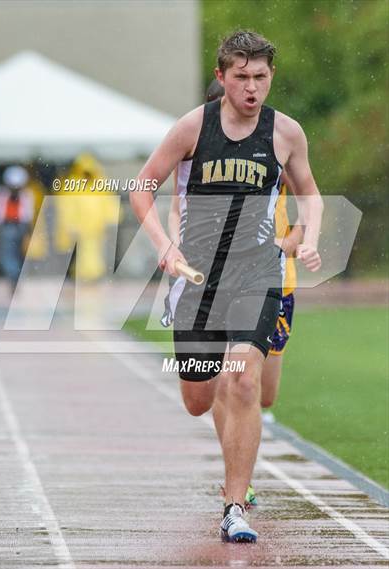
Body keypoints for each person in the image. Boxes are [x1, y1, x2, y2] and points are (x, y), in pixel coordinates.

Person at [130, 30, 323, 543]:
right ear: (222, 77)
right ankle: (226, 422)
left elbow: (310, 196)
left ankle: (235, 504)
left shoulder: (286, 133)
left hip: (259, 273)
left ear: (270, 76)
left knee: (246, 382)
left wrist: (307, 238)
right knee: (198, 398)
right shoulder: (194, 128)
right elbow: (143, 188)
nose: (251, 88)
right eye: (241, 77)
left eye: (260, 77)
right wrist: (164, 245)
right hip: (199, 279)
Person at [161, 80, 304, 510]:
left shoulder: (273, 145)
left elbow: (308, 201)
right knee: (230, 378)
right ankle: (236, 488)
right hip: (207, 279)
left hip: (272, 276)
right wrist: (174, 249)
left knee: (261, 394)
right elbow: (174, 206)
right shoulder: (195, 152)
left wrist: (295, 238)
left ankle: (238, 472)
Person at [0, 166, 34, 292]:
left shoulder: (25, 194)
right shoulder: (2, 193)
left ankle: (15, 276)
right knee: (9, 254)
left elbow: (27, 214)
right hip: (7, 227)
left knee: (15, 254)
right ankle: (15, 276)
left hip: (18, 226)